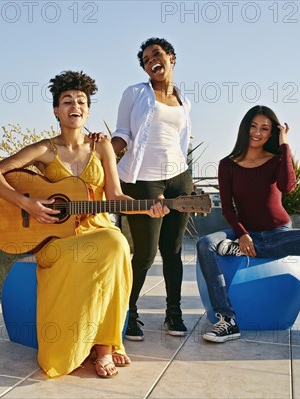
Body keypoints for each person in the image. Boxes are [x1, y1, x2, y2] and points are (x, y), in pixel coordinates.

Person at [0, 71, 170, 378]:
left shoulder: (102, 147)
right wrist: (27, 203)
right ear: (56, 110)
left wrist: (147, 209)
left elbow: (116, 196)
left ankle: (105, 347)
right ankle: (77, 347)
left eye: (81, 101)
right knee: (114, 246)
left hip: (97, 228)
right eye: (67, 100)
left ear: (88, 110)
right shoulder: (45, 149)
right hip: (56, 238)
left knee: (116, 244)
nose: (75, 105)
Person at [196, 105, 300, 343]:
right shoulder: (227, 164)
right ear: (244, 127)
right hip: (244, 231)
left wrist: (285, 145)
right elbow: (227, 208)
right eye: (253, 126)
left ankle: (253, 248)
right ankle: (227, 320)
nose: (257, 132)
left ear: (271, 133)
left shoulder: (276, 160)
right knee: (205, 243)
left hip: (277, 232)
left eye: (265, 128)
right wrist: (241, 235)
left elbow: (288, 187)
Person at [110, 37, 194, 340]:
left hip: (179, 178)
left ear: (171, 57)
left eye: (156, 55)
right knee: (144, 254)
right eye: (145, 59)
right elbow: (122, 134)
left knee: (173, 251)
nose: (151, 61)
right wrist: (102, 153)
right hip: (143, 179)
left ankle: (174, 314)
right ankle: (128, 314)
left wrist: (184, 179)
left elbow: (180, 142)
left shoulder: (185, 99)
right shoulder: (135, 93)